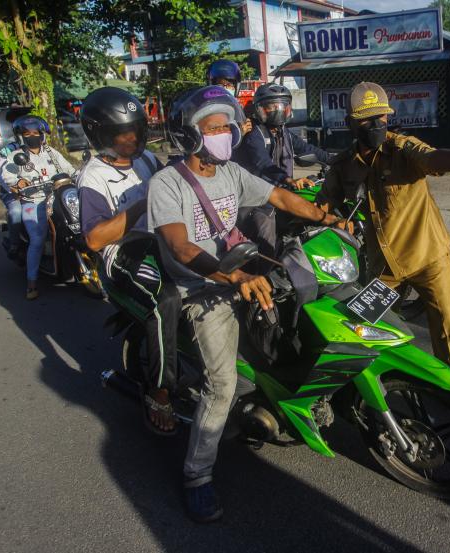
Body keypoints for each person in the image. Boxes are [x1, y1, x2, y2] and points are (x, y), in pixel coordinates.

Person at [148, 85, 344, 523]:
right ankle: (197, 476)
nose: (224, 134)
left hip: (241, 270)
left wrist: (324, 216)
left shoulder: (233, 172)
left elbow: (278, 196)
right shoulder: (166, 183)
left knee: (305, 309)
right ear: (193, 135)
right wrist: (232, 277)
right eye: (214, 127)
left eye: (227, 126)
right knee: (222, 385)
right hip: (199, 288)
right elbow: (180, 248)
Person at [321, 82, 450, 400]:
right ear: (350, 123)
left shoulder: (403, 148)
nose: (377, 125)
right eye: (367, 119)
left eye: (382, 117)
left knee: (446, 322)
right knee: (360, 325)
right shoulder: (343, 165)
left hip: (427, 255)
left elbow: (433, 158)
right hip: (386, 268)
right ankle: (364, 392)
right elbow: (325, 204)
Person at [76, 86, 181, 435]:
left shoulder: (147, 159)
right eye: (123, 133)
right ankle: (160, 391)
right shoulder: (93, 176)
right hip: (122, 253)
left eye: (136, 129)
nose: (132, 138)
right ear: (101, 134)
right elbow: (94, 239)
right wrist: (142, 202)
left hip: (159, 238)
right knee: (165, 299)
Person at [0, 115, 75, 300]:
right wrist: (18, 182)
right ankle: (31, 283)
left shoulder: (52, 153)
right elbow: (7, 176)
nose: (33, 136)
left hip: (57, 199)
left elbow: (70, 170)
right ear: (21, 136)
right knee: (37, 239)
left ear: (42, 134)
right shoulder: (16, 156)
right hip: (33, 202)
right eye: (27, 133)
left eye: (36, 133)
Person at [233, 83, 330, 190]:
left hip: (281, 190)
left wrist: (334, 159)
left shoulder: (283, 132)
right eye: (272, 106)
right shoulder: (254, 132)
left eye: (282, 106)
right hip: (260, 196)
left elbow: (307, 149)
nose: (278, 110)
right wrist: (289, 180)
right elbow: (262, 162)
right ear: (259, 109)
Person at [206, 60, 252, 135]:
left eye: (229, 85)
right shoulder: (208, 108)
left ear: (236, 87)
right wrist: (239, 134)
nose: (224, 88)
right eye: (220, 85)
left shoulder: (237, 107)